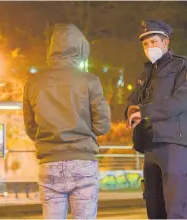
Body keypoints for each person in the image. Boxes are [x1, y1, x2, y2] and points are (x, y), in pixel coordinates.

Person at [23, 23, 111, 219]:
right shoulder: (89, 81)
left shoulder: (34, 83)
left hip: (50, 162)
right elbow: (102, 125)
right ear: (80, 48)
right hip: (82, 162)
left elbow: (30, 128)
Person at [125, 20, 187, 219]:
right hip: (149, 145)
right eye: (145, 44)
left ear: (165, 42)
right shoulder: (145, 74)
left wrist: (144, 112)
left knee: (176, 208)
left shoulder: (181, 66)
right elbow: (132, 103)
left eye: (153, 42)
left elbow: (181, 101)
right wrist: (131, 111)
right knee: (154, 208)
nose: (149, 47)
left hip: (173, 144)